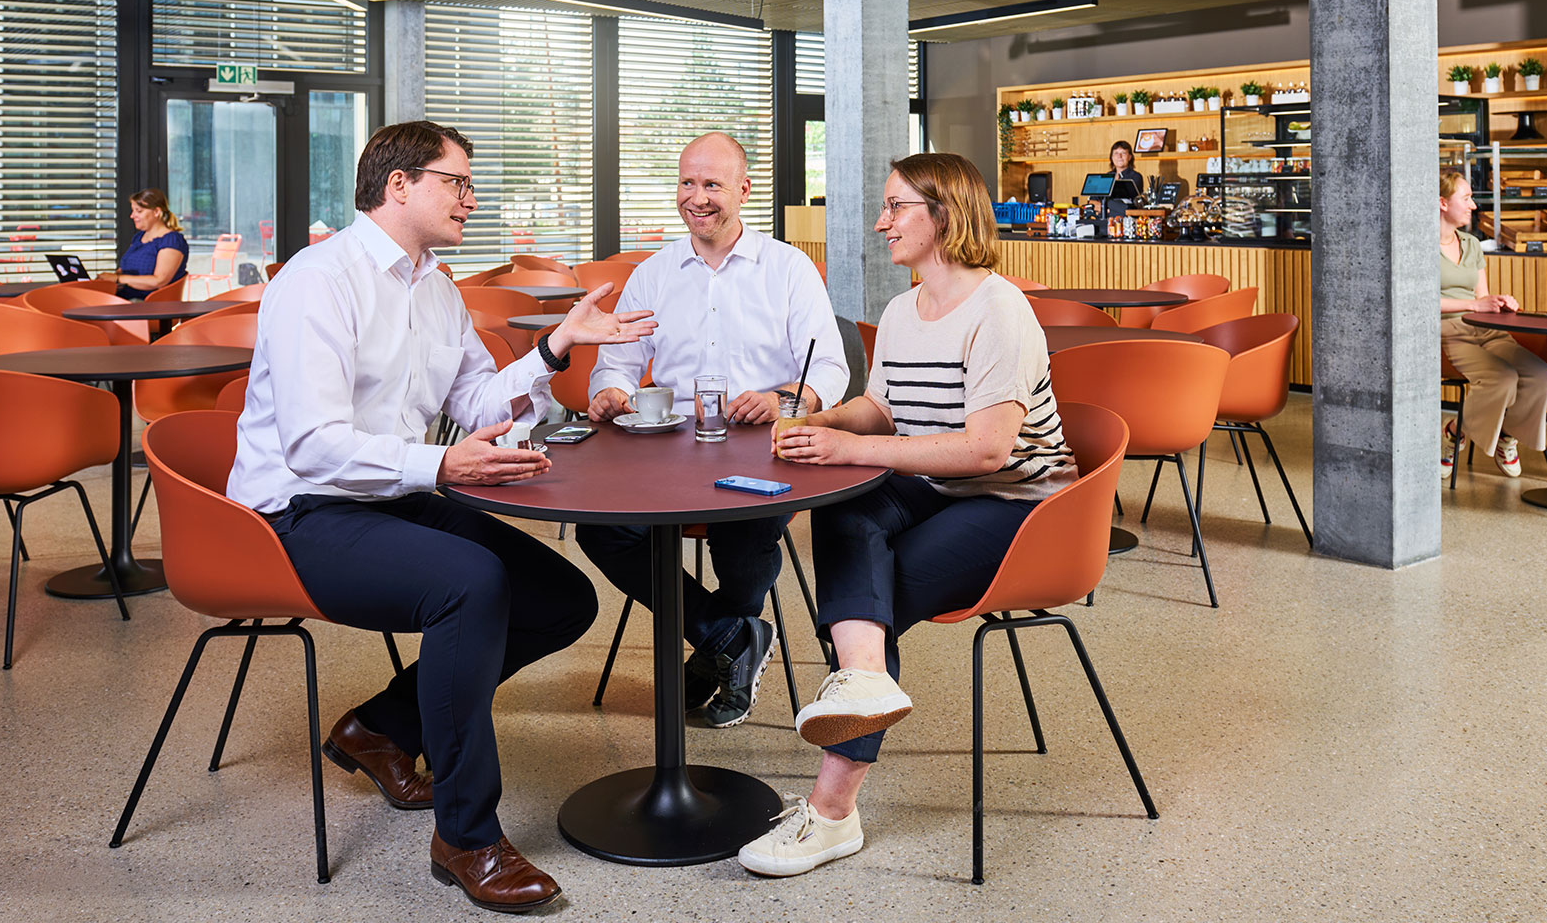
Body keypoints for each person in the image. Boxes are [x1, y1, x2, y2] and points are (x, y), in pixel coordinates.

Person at [226, 120, 655, 913]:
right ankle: (466, 836)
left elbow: (479, 402)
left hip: (389, 495)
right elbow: (314, 446)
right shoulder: (318, 281)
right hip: (294, 514)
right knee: (471, 583)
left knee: (562, 599)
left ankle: (381, 728)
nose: (471, 199)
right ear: (399, 185)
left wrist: (556, 345)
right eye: (457, 182)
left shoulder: (435, 288)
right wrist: (442, 465)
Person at [739, 151, 1075, 877]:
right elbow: (884, 410)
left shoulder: (1000, 311)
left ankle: (832, 813)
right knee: (840, 503)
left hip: (1020, 505)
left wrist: (852, 447)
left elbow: (986, 451)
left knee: (875, 590)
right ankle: (864, 680)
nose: (880, 222)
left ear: (944, 215)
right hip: (937, 484)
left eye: (896, 207)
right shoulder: (902, 309)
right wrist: (823, 423)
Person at [577, 132, 848, 729]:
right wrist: (610, 390)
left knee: (744, 539)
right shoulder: (653, 274)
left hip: (764, 448)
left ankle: (717, 652)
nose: (696, 197)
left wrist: (784, 398)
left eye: (712, 185)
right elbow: (615, 363)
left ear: (744, 191)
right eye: (686, 183)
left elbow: (830, 366)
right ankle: (729, 637)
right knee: (604, 532)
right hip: (667, 450)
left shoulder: (788, 269)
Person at [1437, 169, 1547, 478]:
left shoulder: (1471, 244)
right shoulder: (1417, 247)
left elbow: (1482, 296)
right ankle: (1454, 435)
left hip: (1484, 327)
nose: (1474, 205)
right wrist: (1473, 305)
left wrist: (1498, 303)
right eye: (1466, 198)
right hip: (1447, 332)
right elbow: (1416, 303)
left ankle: (1504, 435)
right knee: (1502, 379)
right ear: (1442, 203)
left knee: (1542, 377)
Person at [104, 189, 189, 299]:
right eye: (133, 211)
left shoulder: (172, 240)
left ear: (156, 212)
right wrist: (108, 279)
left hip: (148, 302)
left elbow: (159, 281)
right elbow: (125, 269)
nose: (132, 216)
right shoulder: (139, 238)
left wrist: (118, 279)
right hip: (124, 298)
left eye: (139, 211)